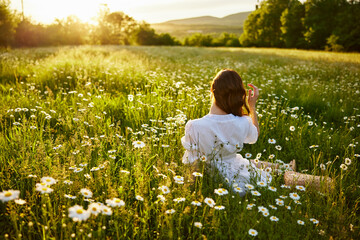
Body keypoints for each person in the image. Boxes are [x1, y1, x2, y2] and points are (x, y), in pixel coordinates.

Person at [181, 69, 299, 195]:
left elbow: (192, 163)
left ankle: (285, 168)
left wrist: (190, 190)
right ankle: (287, 171)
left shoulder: (194, 126)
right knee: (248, 163)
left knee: (248, 162)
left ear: (212, 90)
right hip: (235, 171)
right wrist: (252, 107)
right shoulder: (242, 121)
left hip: (213, 176)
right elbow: (254, 136)